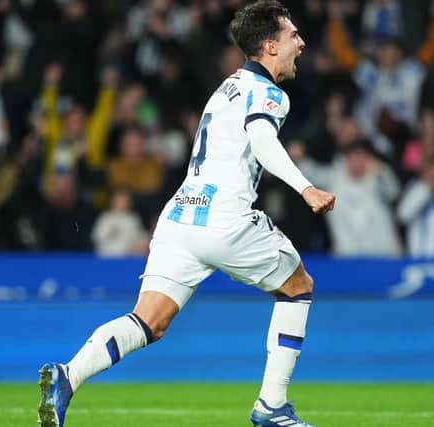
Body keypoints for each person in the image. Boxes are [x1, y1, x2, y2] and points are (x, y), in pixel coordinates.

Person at [37, 2, 335, 427]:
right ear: (269, 46)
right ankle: (272, 406)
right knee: (298, 286)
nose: (301, 43)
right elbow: (262, 138)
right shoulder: (269, 93)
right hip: (224, 219)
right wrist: (305, 187)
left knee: (149, 321)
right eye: (292, 36)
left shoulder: (227, 87)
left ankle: (68, 376)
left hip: (179, 218)